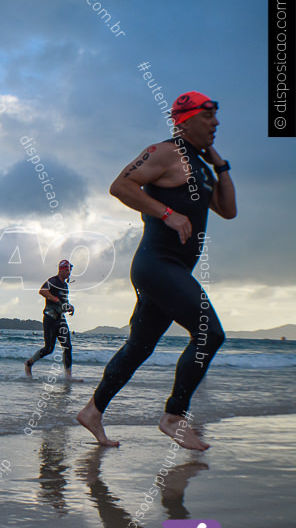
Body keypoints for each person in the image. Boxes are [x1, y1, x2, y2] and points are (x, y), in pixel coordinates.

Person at [77, 92, 236, 451]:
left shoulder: (202, 167)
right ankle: (173, 416)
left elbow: (228, 210)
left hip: (174, 268)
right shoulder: (165, 153)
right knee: (209, 334)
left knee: (139, 346)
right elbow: (120, 185)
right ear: (186, 119)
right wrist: (168, 213)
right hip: (156, 264)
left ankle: (92, 410)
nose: (216, 123)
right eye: (208, 116)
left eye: (216, 116)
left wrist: (221, 166)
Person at [25, 260, 81, 382]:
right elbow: (42, 291)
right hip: (50, 318)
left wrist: (70, 307)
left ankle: (68, 376)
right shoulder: (53, 281)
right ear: (61, 270)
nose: (69, 272)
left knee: (67, 347)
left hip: (60, 319)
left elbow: (63, 302)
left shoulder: (65, 285)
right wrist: (54, 299)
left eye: (69, 270)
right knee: (49, 349)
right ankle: (29, 363)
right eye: (67, 270)